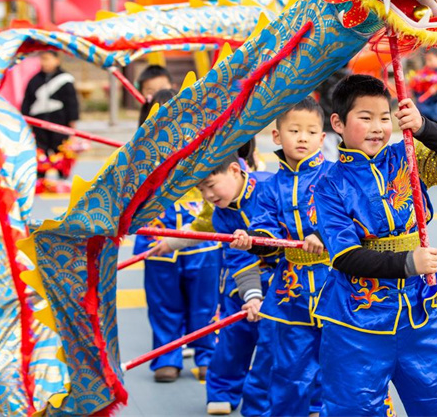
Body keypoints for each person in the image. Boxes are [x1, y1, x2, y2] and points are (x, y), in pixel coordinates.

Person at [311, 74, 437, 416]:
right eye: (365, 117)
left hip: (418, 311)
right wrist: (408, 263)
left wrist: (423, 127)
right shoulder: (328, 186)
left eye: (384, 117)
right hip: (356, 323)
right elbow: (346, 256)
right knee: (353, 409)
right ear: (338, 123)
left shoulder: (405, 157)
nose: (377, 127)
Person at [153, 152, 275, 416]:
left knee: (278, 345)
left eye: (210, 185)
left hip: (284, 282)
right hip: (240, 284)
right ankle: (223, 391)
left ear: (234, 170)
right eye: (201, 189)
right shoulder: (221, 212)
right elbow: (232, 252)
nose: (207, 195)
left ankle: (287, 402)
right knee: (233, 337)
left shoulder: (272, 188)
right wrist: (252, 296)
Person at [230, 97, 331, 416]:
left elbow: (354, 218)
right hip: (291, 287)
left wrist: (324, 235)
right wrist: (253, 241)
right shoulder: (270, 187)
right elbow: (265, 231)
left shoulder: (336, 176)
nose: (303, 137)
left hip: (336, 283)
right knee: (289, 369)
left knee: (342, 364)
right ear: (276, 136)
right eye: (294, 130)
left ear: (322, 138)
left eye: (311, 131)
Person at [133, 89, 220, 383]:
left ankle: (207, 354)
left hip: (202, 243)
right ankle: (166, 356)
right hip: (156, 241)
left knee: (205, 303)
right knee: (163, 304)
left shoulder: (205, 154)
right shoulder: (137, 162)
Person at [21, 50, 80, 175]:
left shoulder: (65, 79)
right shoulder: (35, 80)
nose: (44, 62)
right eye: (42, 59)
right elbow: (27, 101)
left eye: (47, 59)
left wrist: (72, 120)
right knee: (40, 150)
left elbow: (71, 102)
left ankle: (62, 176)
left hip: (59, 120)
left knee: (60, 148)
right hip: (39, 121)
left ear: (56, 60)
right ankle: (41, 177)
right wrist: (24, 119)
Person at [315, 67, 350, 162]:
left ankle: (330, 173)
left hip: (327, 119)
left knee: (329, 152)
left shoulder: (325, 76)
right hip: (343, 119)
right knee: (346, 151)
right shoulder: (349, 77)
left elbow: (316, 89)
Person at [410, 47, 437, 125]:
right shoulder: (422, 74)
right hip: (424, 113)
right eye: (426, 60)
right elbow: (417, 93)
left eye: (430, 59)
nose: (428, 63)